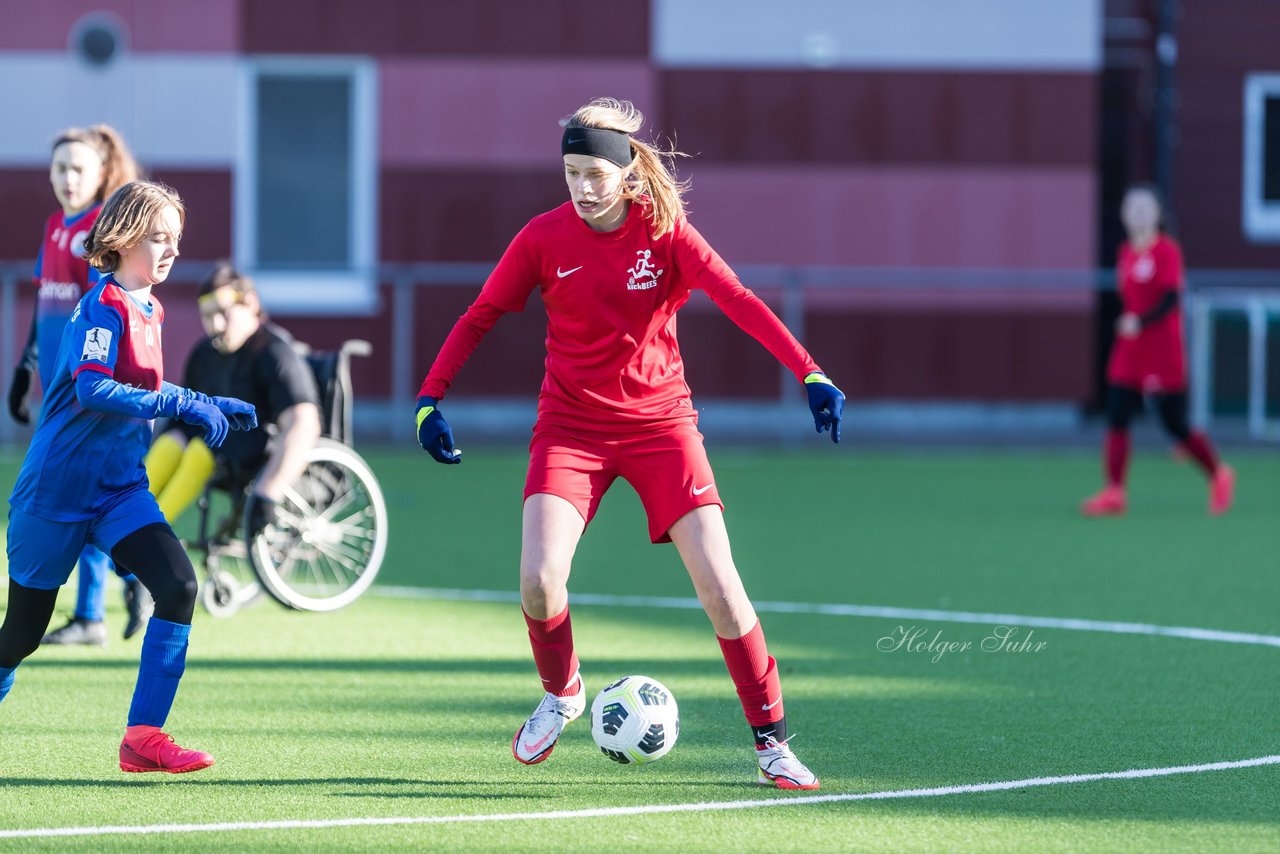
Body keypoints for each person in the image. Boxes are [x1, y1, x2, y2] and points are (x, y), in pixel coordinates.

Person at [415, 98, 844, 790]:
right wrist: (429, 398)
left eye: (594, 174)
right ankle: (562, 694)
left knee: (723, 590)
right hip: (570, 428)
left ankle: (771, 746)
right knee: (538, 578)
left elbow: (737, 298)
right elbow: (481, 314)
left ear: (626, 170)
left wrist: (809, 371)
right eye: (570, 174)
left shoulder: (666, 232)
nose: (583, 189)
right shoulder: (542, 238)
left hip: (661, 428)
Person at [0, 181, 257, 773]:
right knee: (21, 635)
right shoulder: (101, 305)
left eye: (176, 239)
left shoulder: (152, 306)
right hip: (56, 492)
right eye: (158, 238)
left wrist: (202, 397)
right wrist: (185, 406)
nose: (170, 250)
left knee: (179, 587)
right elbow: (93, 387)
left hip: (118, 490)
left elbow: (140, 385)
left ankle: (143, 739)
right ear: (119, 240)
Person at [5, 125, 152, 645]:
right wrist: (25, 366)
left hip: (86, 388)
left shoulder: (100, 230)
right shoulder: (52, 225)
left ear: (100, 174)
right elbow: (47, 301)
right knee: (74, 492)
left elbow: (102, 312)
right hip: (56, 387)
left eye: (78, 169)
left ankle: (121, 587)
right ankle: (104, 601)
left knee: (79, 493)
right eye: (59, 168)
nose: (67, 178)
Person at [1082, 184, 1234, 516]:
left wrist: (1139, 321)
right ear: (1122, 214)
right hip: (1130, 350)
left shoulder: (1167, 251)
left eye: (1144, 206)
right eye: (1131, 206)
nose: (1137, 212)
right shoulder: (1125, 251)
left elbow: (1169, 299)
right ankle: (1114, 492)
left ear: (1156, 214)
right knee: (1117, 416)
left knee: (1174, 425)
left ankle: (1218, 474)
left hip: (1162, 351)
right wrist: (1131, 325)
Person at [144, 263, 322, 535]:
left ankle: (149, 538)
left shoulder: (275, 354)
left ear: (250, 303)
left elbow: (304, 424)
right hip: (210, 446)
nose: (215, 325)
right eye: (207, 316)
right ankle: (129, 521)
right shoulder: (204, 355)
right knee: (170, 444)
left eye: (223, 313)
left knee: (199, 453)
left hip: (253, 454)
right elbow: (184, 424)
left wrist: (267, 492)